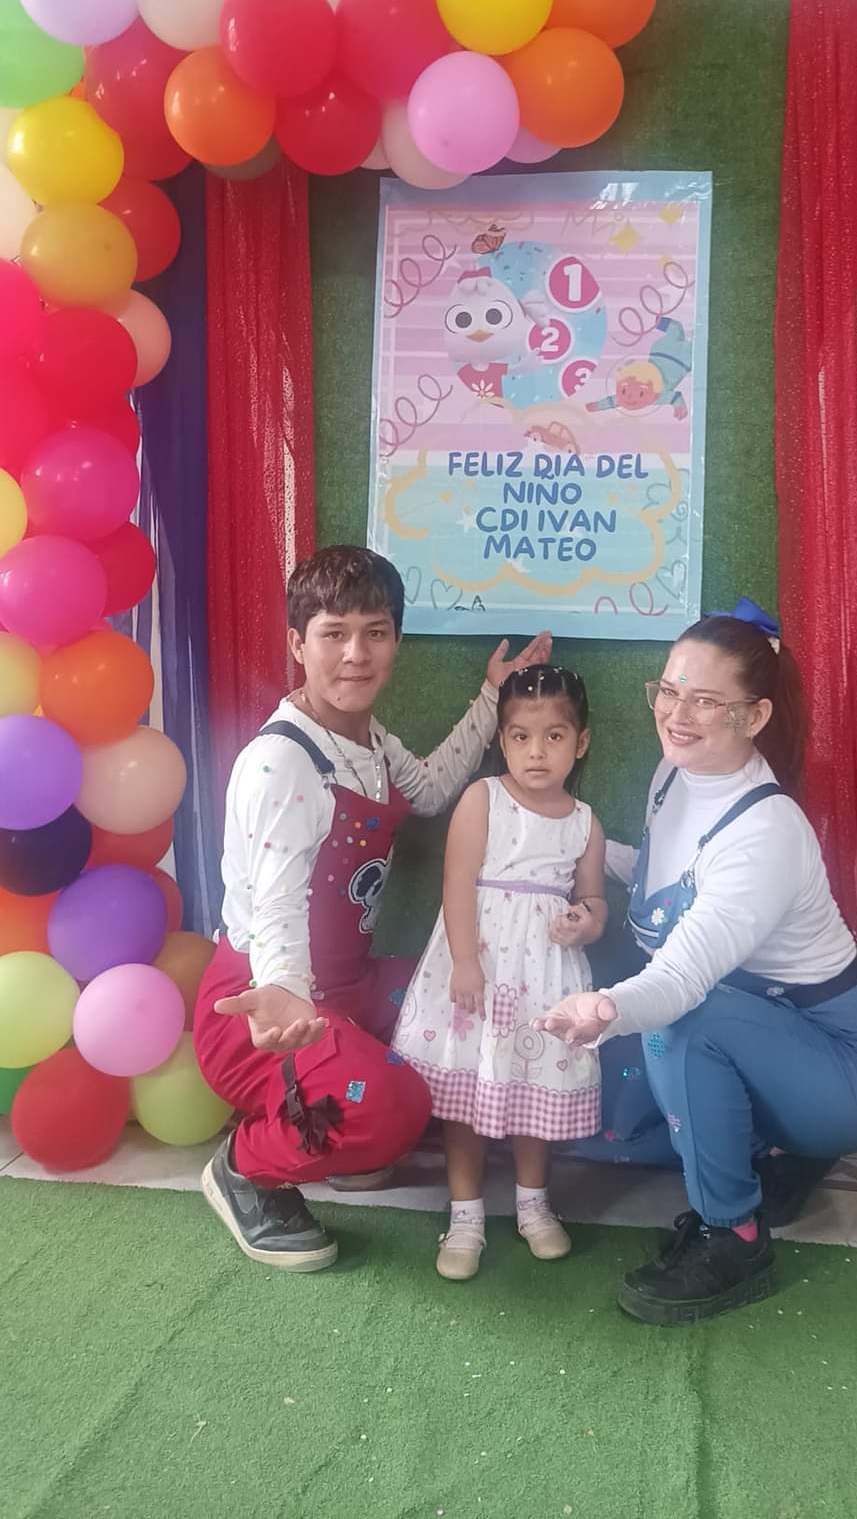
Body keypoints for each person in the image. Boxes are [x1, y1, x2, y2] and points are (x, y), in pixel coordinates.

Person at [537, 603, 857, 1327]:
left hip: (847, 1074)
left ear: (755, 715)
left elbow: (680, 980)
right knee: (657, 1057)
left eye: (705, 700)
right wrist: (566, 847)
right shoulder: (675, 775)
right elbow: (663, 880)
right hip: (773, 1039)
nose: (677, 715)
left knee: (679, 1027)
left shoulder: (765, 832)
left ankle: (734, 1237)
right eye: (669, 690)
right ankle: (779, 1155)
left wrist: (605, 1009)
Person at [193, 543, 551, 1273]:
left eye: (375, 632)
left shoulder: (370, 739)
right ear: (298, 644)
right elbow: (277, 904)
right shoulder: (281, 761)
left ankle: (340, 1126)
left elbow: (431, 790)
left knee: (468, 991)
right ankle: (246, 1168)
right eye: (334, 634)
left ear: (395, 641)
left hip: (345, 989)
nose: (356, 655)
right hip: (264, 1013)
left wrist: (493, 697)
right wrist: (286, 994)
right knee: (396, 1107)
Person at [393, 665, 607, 1281]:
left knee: (529, 1088)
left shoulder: (584, 822)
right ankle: (465, 1215)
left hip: (545, 978)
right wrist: (465, 963)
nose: (536, 751)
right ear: (501, 741)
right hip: (478, 970)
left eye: (554, 736)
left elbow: (594, 901)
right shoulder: (482, 798)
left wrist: (585, 923)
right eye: (520, 737)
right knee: (468, 1092)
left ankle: (534, 1204)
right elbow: (457, 881)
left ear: (580, 743)